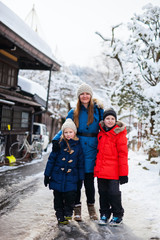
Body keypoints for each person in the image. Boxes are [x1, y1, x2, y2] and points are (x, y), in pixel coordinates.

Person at [52, 83, 104, 221]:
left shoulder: (99, 111)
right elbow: (65, 128)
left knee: (89, 182)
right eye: (82, 94)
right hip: (76, 150)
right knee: (76, 182)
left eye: (87, 93)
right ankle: (77, 209)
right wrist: (55, 140)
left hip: (93, 150)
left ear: (91, 95)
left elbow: (107, 127)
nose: (85, 96)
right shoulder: (73, 112)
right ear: (79, 96)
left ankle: (92, 209)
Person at [44, 118, 85, 225]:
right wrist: (47, 175)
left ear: (74, 132)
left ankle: (68, 212)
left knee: (70, 197)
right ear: (62, 133)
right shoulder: (58, 145)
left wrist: (81, 178)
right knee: (57, 198)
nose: (68, 134)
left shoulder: (78, 146)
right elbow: (51, 160)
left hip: (72, 178)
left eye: (70, 132)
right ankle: (59, 215)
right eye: (65, 132)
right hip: (57, 176)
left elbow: (80, 164)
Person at [94, 108, 128, 226]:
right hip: (101, 170)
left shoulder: (119, 134)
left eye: (112, 118)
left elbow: (123, 155)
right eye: (107, 118)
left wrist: (124, 173)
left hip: (114, 172)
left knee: (114, 193)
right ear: (104, 120)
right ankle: (104, 214)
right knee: (102, 193)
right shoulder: (100, 133)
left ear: (115, 120)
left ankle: (118, 215)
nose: (110, 121)